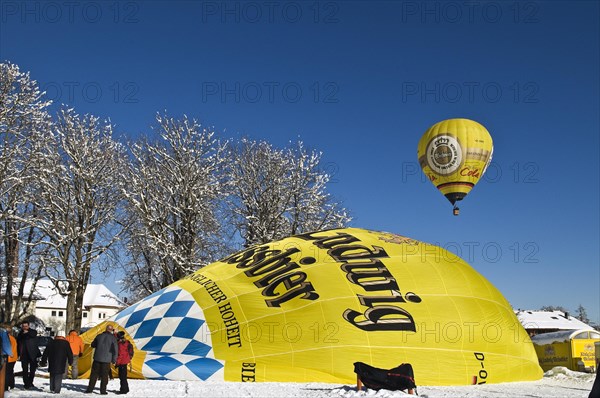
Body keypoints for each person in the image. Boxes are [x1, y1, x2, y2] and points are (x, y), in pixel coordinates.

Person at [85, 324, 117, 395]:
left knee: (94, 374)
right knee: (105, 376)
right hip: (107, 359)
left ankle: (90, 389)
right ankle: (103, 391)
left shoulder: (99, 336)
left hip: (97, 358)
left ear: (105, 329)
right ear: (111, 330)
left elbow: (93, 345)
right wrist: (114, 360)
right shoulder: (113, 338)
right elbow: (115, 350)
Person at [16, 321, 41, 389]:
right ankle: (26, 383)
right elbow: (18, 344)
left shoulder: (32, 332)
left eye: (26, 326)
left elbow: (33, 334)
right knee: (25, 370)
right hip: (24, 354)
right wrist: (18, 354)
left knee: (32, 370)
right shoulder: (20, 334)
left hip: (33, 354)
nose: (24, 328)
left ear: (28, 326)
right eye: (23, 326)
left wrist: (26, 333)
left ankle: (30, 382)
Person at [2, 324, 17, 392]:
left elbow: (7, 348)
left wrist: (9, 354)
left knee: (7, 372)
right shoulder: (11, 337)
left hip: (9, 357)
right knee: (10, 372)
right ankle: (11, 384)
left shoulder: (7, 338)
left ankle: (6, 386)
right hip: (12, 357)